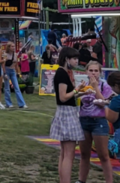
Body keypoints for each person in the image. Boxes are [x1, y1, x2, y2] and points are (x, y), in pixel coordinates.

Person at [51, 46, 84, 183]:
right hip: (67, 113)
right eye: (74, 59)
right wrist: (76, 90)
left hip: (64, 112)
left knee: (64, 153)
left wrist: (81, 92)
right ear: (66, 59)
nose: (76, 61)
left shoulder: (63, 73)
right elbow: (63, 96)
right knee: (68, 154)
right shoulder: (62, 73)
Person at [77, 61, 114, 183]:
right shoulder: (83, 85)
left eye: (96, 71)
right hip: (84, 120)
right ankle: (81, 180)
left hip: (99, 121)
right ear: (86, 71)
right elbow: (77, 99)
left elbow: (104, 101)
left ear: (100, 72)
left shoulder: (104, 85)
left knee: (103, 155)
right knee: (84, 153)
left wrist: (95, 87)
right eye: (91, 70)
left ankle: (109, 181)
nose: (93, 73)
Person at [2, 41, 27, 109]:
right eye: (12, 46)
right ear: (8, 47)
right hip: (7, 70)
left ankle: (21, 104)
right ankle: (8, 103)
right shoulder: (5, 54)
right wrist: (4, 73)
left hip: (13, 71)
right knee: (7, 88)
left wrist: (18, 72)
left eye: (14, 46)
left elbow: (16, 65)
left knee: (17, 87)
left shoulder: (15, 54)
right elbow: (3, 65)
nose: (13, 48)